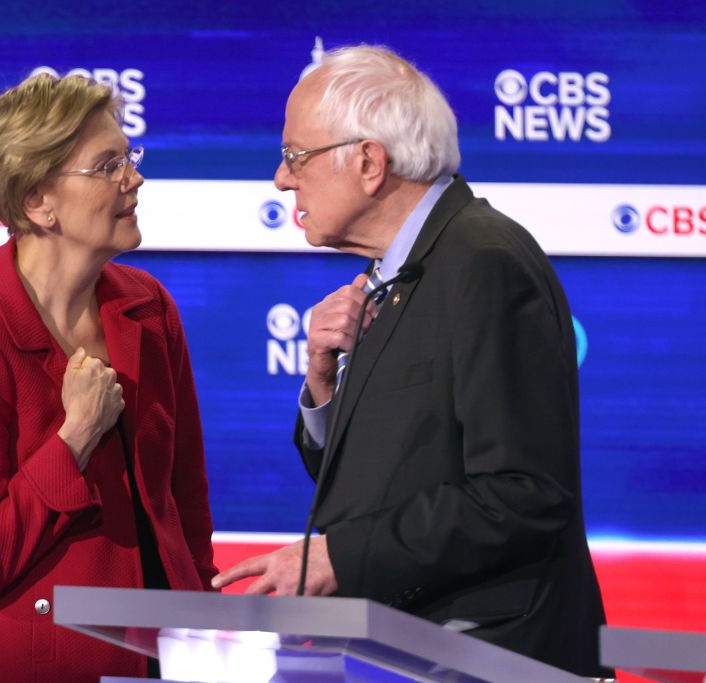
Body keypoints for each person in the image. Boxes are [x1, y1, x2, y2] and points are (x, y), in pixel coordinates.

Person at [212, 45, 610, 677]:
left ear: (369, 162)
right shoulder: (397, 274)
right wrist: (322, 383)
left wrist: (336, 558)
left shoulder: (483, 263)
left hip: (492, 655)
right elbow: (386, 476)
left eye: (295, 156)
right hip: (406, 652)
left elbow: (523, 493)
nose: (282, 180)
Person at [0, 73, 217, 682]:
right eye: (107, 165)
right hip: (46, 666)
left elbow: (186, 502)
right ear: (37, 202)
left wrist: (206, 629)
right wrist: (73, 440)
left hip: (171, 658)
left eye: (129, 157)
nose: (133, 179)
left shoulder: (149, 308)